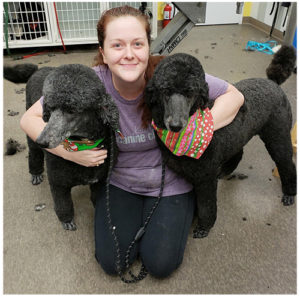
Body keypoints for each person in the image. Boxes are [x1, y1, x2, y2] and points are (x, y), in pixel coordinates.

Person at [20, 5, 244, 279]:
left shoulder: (169, 73)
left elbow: (234, 96)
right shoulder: (91, 82)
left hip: (172, 177)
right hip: (119, 178)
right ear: (103, 51)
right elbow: (29, 119)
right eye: (117, 45)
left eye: (137, 44)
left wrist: (201, 127)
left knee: (161, 264)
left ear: (147, 46)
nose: (129, 54)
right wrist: (71, 153)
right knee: (113, 263)